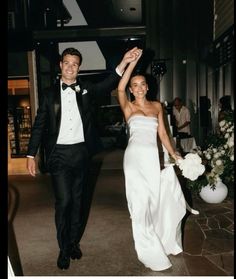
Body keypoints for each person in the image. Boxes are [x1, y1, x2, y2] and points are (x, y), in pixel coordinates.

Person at [26, 46, 140, 270]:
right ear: (61, 65)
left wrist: (124, 61)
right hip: (58, 154)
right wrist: (31, 153)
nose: (70, 67)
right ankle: (63, 248)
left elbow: (107, 83)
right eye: (66, 63)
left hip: (81, 153)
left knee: (78, 202)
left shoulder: (86, 88)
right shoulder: (49, 95)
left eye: (74, 64)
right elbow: (39, 126)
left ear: (79, 67)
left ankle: (73, 242)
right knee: (64, 201)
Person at [117, 49, 188, 271]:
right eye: (134, 85)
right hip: (133, 159)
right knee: (139, 204)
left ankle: (160, 237)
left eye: (142, 84)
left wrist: (175, 154)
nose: (138, 88)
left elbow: (163, 135)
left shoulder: (157, 106)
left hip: (150, 159)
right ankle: (148, 250)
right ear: (131, 89)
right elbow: (119, 87)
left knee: (154, 201)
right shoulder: (128, 107)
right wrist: (132, 63)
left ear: (147, 87)